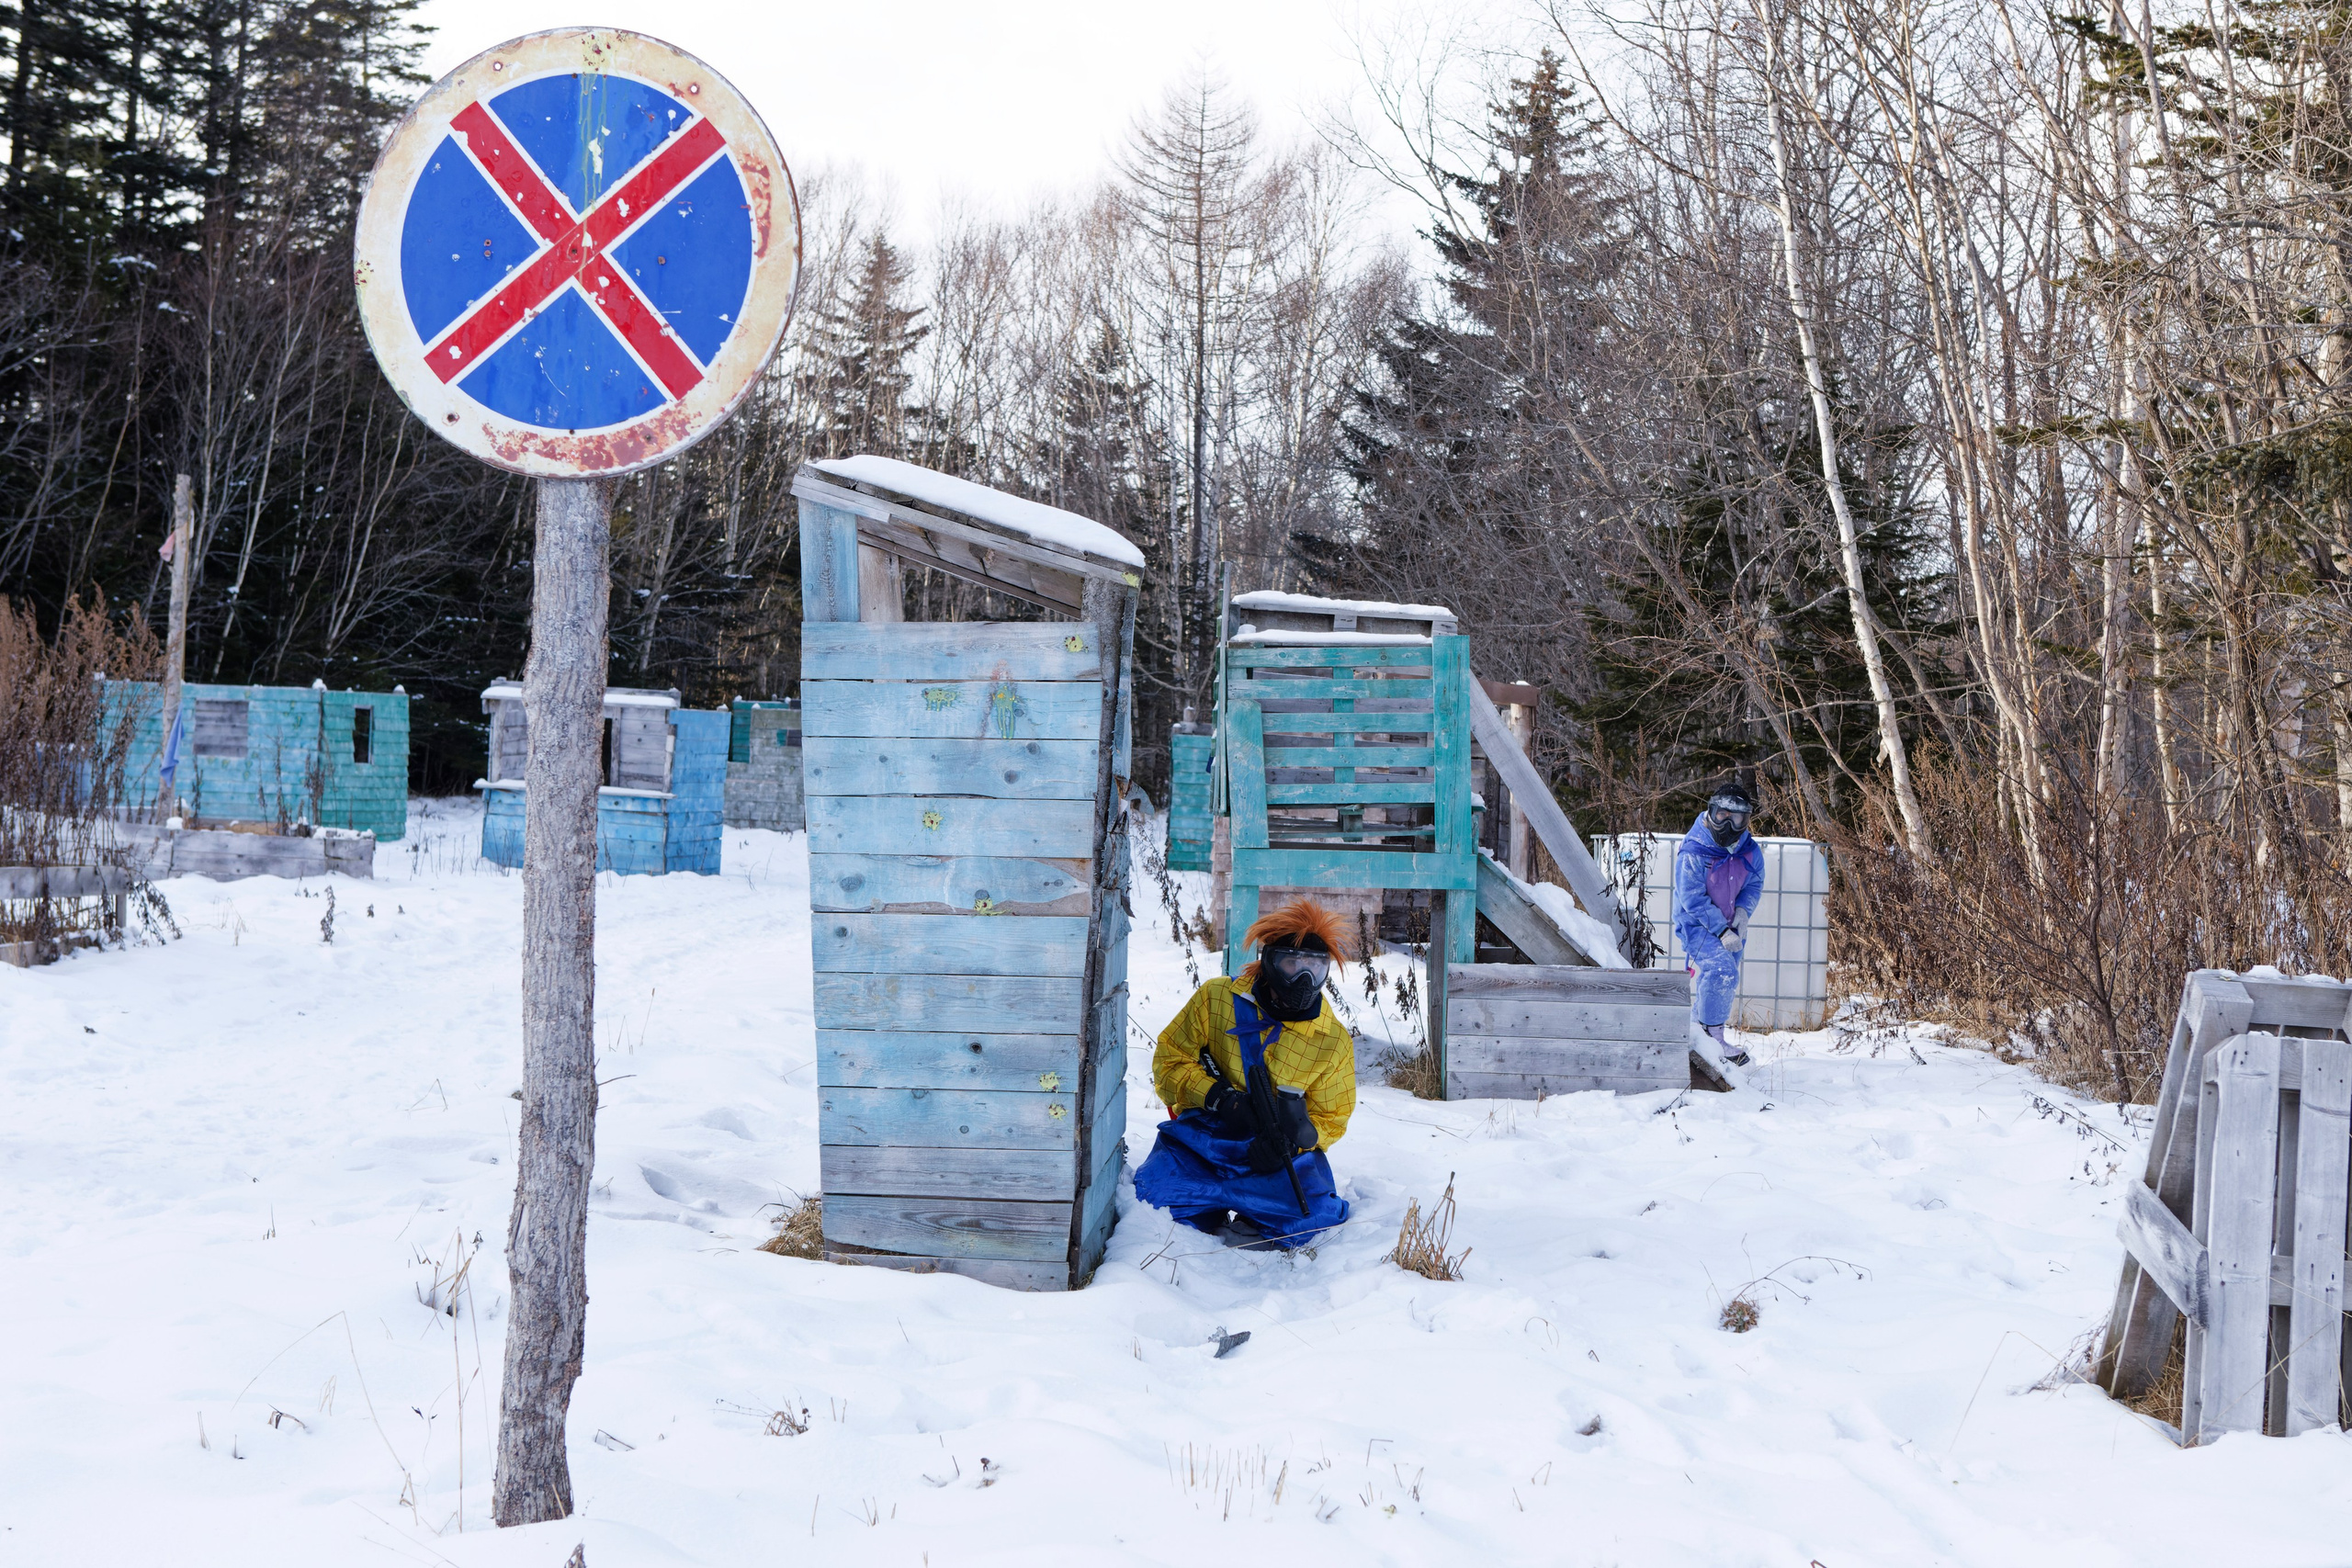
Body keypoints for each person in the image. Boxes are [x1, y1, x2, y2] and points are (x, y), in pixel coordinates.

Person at [1133, 898, 1356, 1250]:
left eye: (1314, 967)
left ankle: (1254, 1210)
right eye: (1291, 963)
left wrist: (1291, 1143)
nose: (1303, 979)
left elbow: (1332, 1116)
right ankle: (1207, 1209)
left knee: (1310, 1220)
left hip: (1275, 1154)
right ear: (1269, 962)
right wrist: (1219, 1098)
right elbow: (1169, 1061)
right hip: (1203, 1139)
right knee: (1150, 1201)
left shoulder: (1331, 1040)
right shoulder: (1217, 998)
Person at [1675, 781, 1766, 1072]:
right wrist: (1721, 930)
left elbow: (1754, 883)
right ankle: (1714, 1039)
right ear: (1711, 811)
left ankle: (1695, 1033)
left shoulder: (1749, 850)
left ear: (1745, 819)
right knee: (1721, 971)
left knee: (1721, 978)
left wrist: (1744, 911)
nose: (1727, 823)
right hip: (1698, 926)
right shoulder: (1695, 850)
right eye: (1721, 815)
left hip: (1732, 925)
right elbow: (1692, 897)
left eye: (1736, 817)